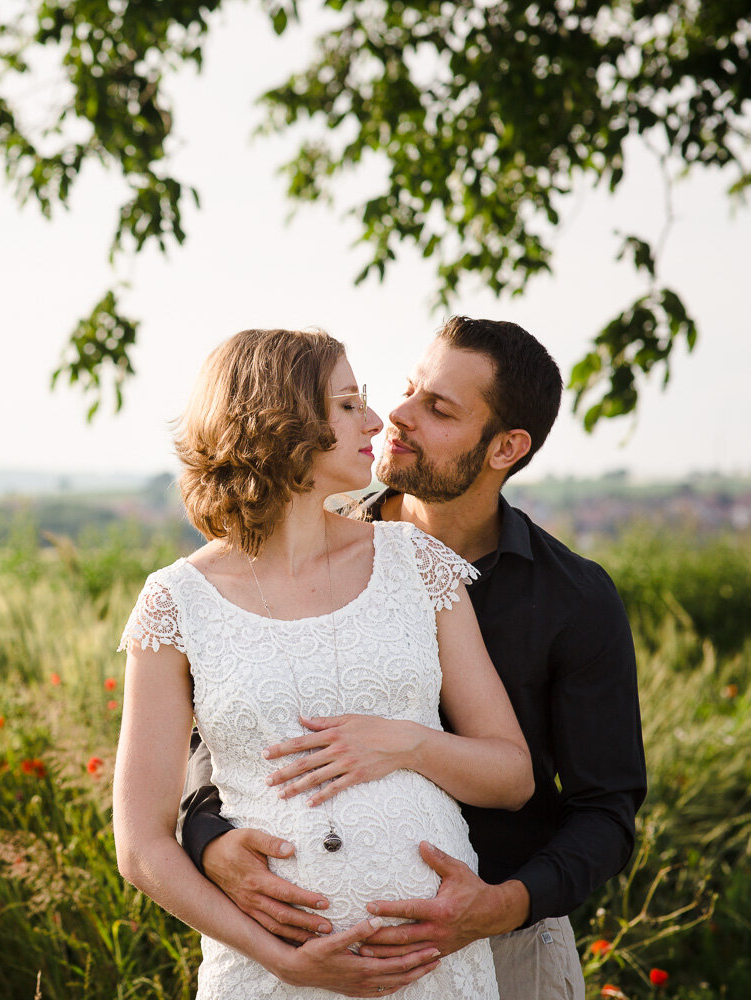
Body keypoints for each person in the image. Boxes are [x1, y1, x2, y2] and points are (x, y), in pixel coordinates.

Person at [178, 317, 647, 1000]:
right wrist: (206, 836)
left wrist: (503, 905)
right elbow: (220, 723)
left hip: (508, 946)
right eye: (407, 390)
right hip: (299, 950)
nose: (396, 415)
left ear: (505, 448)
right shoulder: (302, 538)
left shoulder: (573, 598)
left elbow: (606, 810)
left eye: (439, 408)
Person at [113, 326, 534, 999]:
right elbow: (140, 845)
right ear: (280, 425)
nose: (376, 420)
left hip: (431, 970)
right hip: (267, 975)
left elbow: (512, 776)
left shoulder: (417, 564)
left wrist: (408, 744)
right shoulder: (176, 601)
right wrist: (279, 959)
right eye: (347, 405)